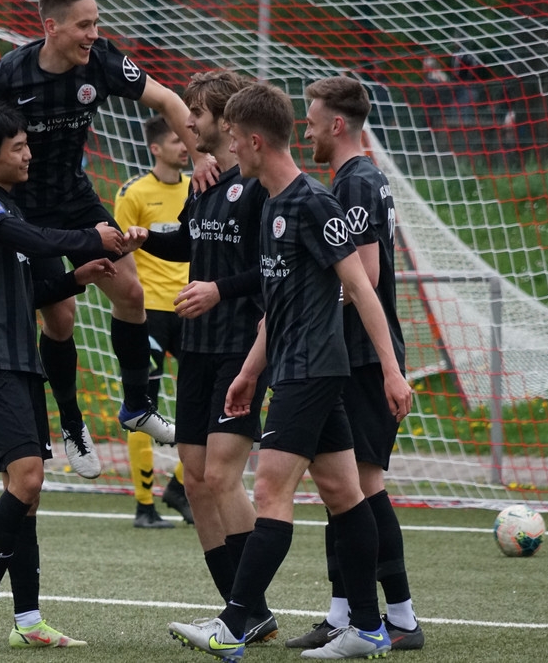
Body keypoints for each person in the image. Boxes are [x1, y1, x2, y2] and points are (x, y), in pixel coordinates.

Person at [167, 82, 412, 661]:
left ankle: (234, 625)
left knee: (270, 490)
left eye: (234, 138)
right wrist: (250, 371)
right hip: (292, 368)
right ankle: (369, 627)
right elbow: (276, 308)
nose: (228, 150)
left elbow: (361, 288)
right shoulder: (273, 206)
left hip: (313, 371)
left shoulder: (314, 203)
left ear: (254, 141)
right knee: (344, 493)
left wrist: (391, 370)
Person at [0, 0, 218, 480]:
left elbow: (168, 101)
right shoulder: (11, 72)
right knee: (61, 317)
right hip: (25, 209)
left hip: (75, 198)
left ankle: (136, 406)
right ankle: (72, 423)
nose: (94, 34)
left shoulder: (103, 61)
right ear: (51, 27)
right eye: (84, 25)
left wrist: (202, 156)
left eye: (97, 23)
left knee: (131, 293)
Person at [0, 103, 125, 652]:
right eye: (19, 147)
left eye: (28, 144)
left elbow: (31, 291)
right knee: (26, 480)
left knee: (27, 495)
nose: (29, 154)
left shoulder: (8, 204)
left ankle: (27, 620)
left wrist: (80, 277)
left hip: (23, 362)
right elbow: (37, 241)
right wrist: (92, 238)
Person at [132, 70, 276, 643]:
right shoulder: (205, 181)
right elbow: (189, 243)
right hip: (195, 347)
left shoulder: (259, 185)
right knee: (194, 481)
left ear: (225, 118)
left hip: (239, 349)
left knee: (221, 476)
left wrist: (220, 290)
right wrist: (142, 237)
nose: (187, 121)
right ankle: (242, 610)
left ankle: (244, 612)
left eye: (196, 112)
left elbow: (271, 269)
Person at [287, 76, 424, 651]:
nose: (307, 132)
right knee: (341, 486)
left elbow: (363, 276)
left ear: (337, 124)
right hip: (354, 352)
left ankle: (401, 618)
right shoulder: (359, 178)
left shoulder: (357, 182)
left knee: (362, 486)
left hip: (363, 355)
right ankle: (346, 613)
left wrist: (310, 302)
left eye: (312, 121)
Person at [114, 114, 194, 529]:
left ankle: (179, 486)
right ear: (156, 148)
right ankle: (144, 506)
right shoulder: (132, 193)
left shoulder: (199, 187)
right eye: (176, 140)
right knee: (142, 406)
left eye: (186, 140)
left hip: (192, 308)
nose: (185, 147)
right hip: (150, 316)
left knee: (211, 401)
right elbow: (119, 253)